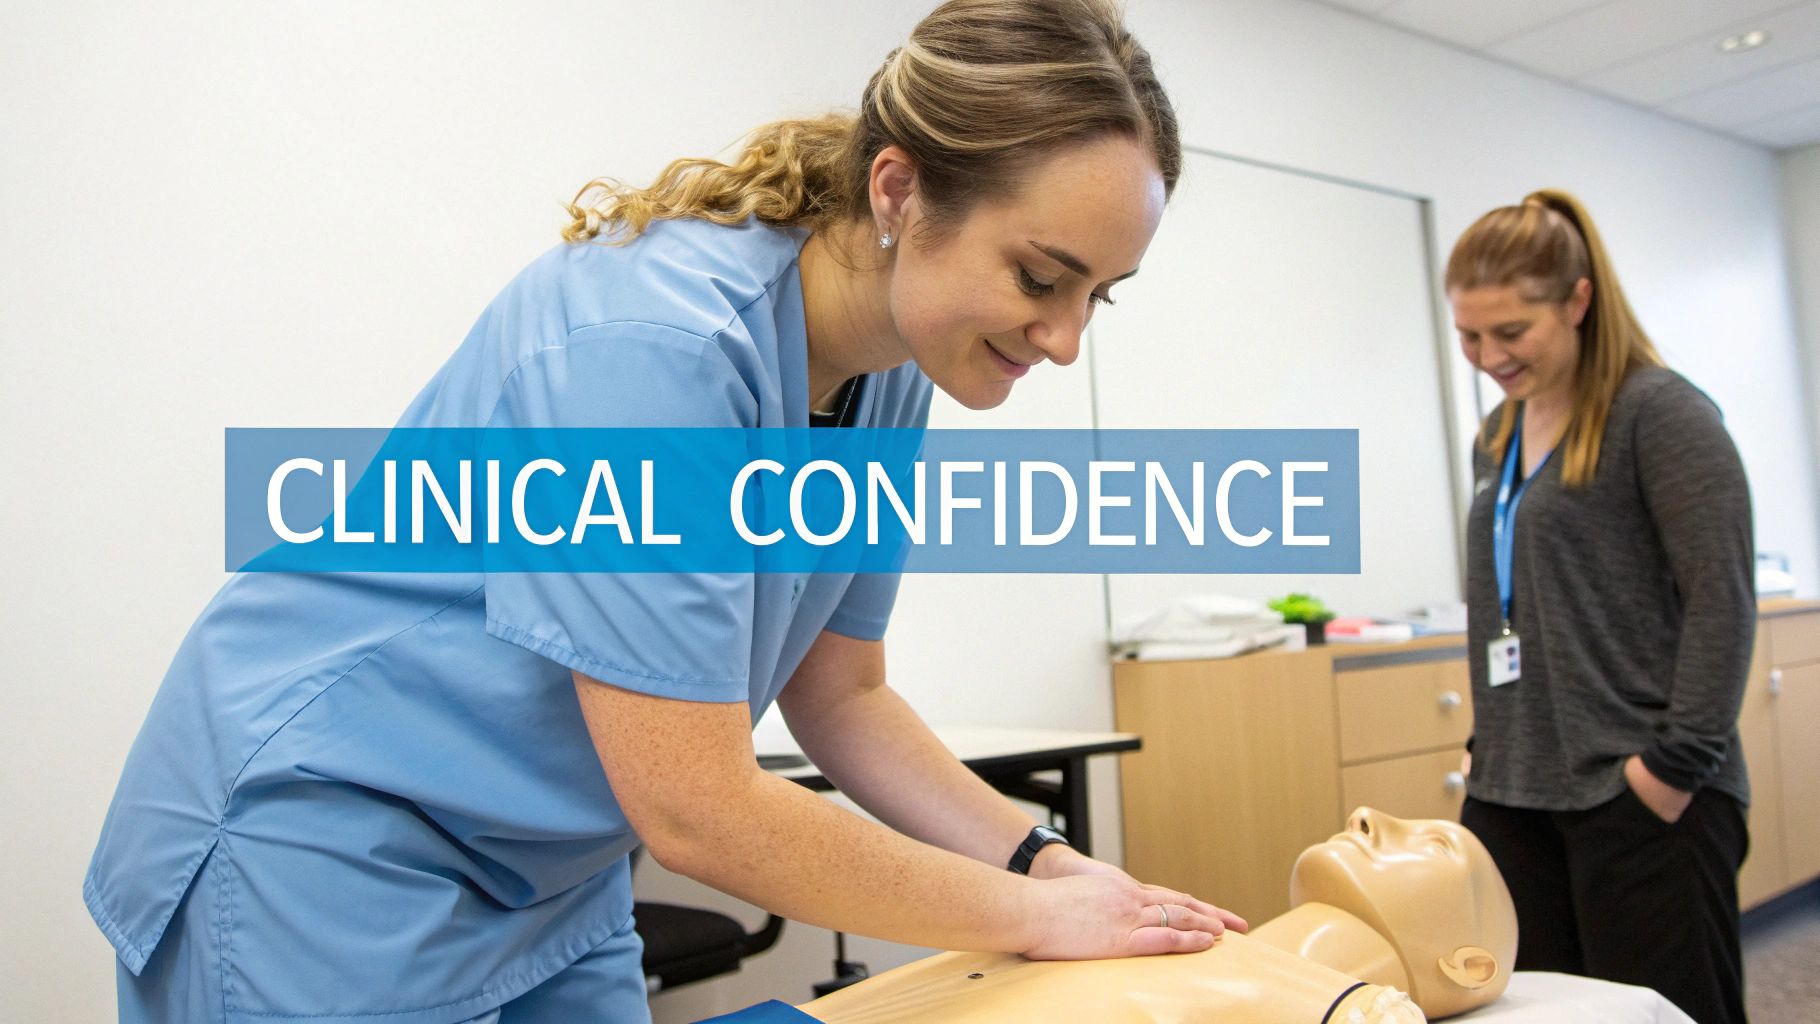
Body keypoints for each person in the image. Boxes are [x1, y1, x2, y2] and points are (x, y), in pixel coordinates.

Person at [84, 2, 1248, 1022]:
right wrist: (1028, 920)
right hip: (327, 832)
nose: (1062, 339)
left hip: (552, 860)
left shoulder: (893, 368)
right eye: (1040, 278)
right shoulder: (656, 347)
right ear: (897, 189)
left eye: (1099, 294)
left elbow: (843, 694)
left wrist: (1044, 865)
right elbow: (698, 809)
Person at [1447, 189, 1754, 1024]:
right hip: (1516, 792)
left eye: (1512, 333)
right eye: (1470, 336)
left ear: (1578, 300)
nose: (1489, 357)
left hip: (1642, 790)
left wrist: (1670, 770)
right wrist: (1489, 748)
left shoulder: (1660, 414)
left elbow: (1721, 601)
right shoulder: (1499, 435)